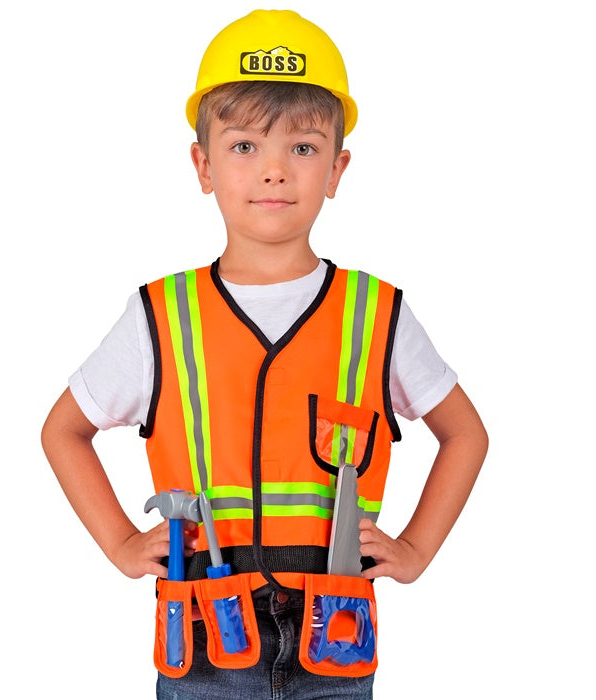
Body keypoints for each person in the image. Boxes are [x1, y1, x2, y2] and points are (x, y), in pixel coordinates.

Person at [41, 9, 488, 700]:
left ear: (337, 168)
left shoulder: (375, 315)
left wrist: (416, 550)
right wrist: (122, 544)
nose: (274, 171)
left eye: (303, 148)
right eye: (245, 145)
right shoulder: (161, 316)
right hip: (201, 643)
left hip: (335, 636)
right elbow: (63, 431)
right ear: (203, 165)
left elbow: (466, 434)